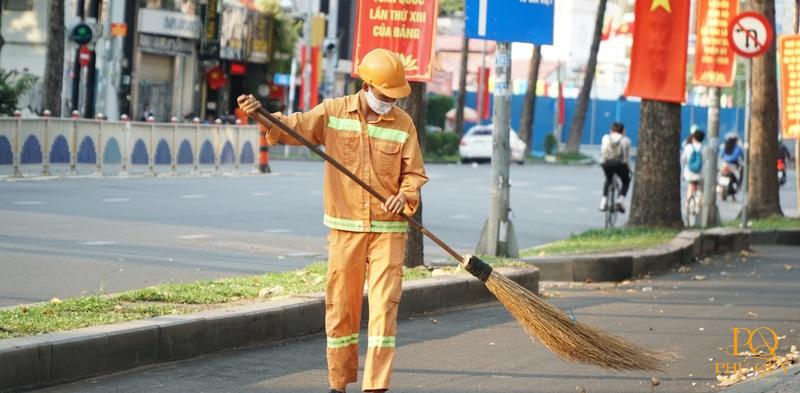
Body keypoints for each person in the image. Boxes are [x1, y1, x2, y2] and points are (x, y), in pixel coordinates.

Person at [238, 48, 428, 393]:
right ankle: (338, 383)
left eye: (394, 96)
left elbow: (414, 174)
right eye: (385, 94)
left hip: (389, 230)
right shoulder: (333, 113)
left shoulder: (404, 125)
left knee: (385, 308)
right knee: (342, 307)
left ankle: (375, 386)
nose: (389, 101)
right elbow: (293, 128)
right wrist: (261, 115)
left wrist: (406, 194)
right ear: (367, 84)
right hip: (346, 228)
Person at [598, 122, 632, 213]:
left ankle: (603, 203)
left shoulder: (605, 138)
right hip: (620, 164)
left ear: (611, 130)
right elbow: (626, 159)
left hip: (606, 164)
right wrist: (630, 170)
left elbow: (602, 152)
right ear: (623, 131)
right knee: (626, 180)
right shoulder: (626, 140)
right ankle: (620, 200)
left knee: (608, 179)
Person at [681, 129, 706, 202]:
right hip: (701, 174)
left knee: (690, 186)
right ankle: (701, 205)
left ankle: (688, 204)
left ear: (693, 137)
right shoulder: (705, 148)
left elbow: (683, 159)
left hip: (689, 174)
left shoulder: (688, 147)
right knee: (701, 188)